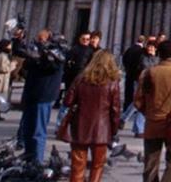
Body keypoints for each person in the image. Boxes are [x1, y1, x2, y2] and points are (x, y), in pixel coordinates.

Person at [134, 39, 171, 182]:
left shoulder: (148, 73)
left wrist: (148, 112)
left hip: (152, 123)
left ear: (159, 53)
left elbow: (138, 101)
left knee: (150, 162)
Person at [63, 50, 121, 182]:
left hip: (80, 127)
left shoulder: (81, 78)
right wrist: (114, 129)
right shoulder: (112, 82)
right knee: (97, 165)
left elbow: (67, 101)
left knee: (77, 166)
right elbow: (115, 110)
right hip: (102, 129)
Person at [19, 29, 65, 164]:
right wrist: (18, 39)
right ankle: (28, 158)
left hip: (44, 95)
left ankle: (37, 162)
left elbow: (52, 67)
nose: (38, 41)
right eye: (38, 38)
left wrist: (44, 55)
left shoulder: (56, 54)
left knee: (38, 131)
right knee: (27, 129)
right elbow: (25, 63)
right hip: (31, 94)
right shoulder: (36, 53)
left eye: (41, 39)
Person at [122, 40, 158, 137]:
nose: (150, 49)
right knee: (139, 103)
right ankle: (136, 127)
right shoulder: (142, 57)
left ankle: (132, 124)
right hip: (140, 82)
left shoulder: (157, 59)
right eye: (149, 46)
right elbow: (142, 67)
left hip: (151, 84)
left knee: (141, 104)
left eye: (152, 47)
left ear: (155, 48)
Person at [59, 32, 94, 129]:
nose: (85, 41)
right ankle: (60, 125)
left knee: (81, 104)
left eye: (87, 39)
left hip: (84, 80)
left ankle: (78, 125)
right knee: (67, 102)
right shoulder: (73, 49)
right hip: (72, 79)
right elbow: (67, 64)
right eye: (83, 39)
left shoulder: (90, 51)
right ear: (79, 39)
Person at [122, 35, 147, 112]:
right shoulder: (141, 51)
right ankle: (131, 111)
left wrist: (127, 68)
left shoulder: (129, 49)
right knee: (136, 94)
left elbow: (124, 59)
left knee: (128, 92)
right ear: (144, 42)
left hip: (128, 73)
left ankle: (126, 107)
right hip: (136, 75)